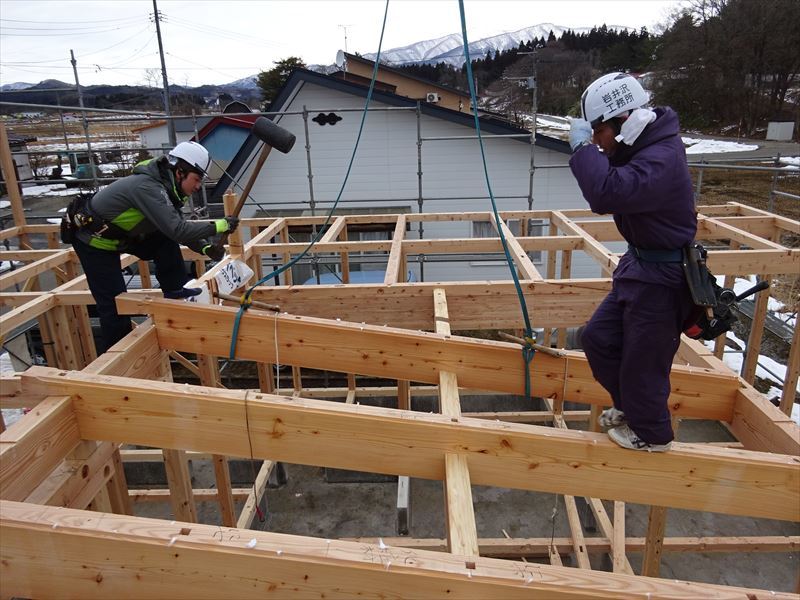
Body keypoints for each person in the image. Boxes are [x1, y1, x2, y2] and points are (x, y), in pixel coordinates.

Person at [568, 72, 697, 452]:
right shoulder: (642, 145)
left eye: (598, 132)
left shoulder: (661, 156)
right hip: (640, 267)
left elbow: (606, 192)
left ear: (623, 121)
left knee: (644, 363)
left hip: (662, 276)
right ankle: (631, 409)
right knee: (598, 339)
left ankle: (653, 435)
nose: (595, 141)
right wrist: (594, 152)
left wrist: (582, 153)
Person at [71, 141, 238, 352]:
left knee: (164, 240)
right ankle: (118, 358)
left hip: (123, 235)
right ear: (179, 172)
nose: (198, 186)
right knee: (114, 305)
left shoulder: (167, 189)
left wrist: (204, 248)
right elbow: (178, 229)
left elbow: (174, 228)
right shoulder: (147, 187)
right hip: (95, 242)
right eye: (196, 179)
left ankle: (176, 292)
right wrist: (219, 225)